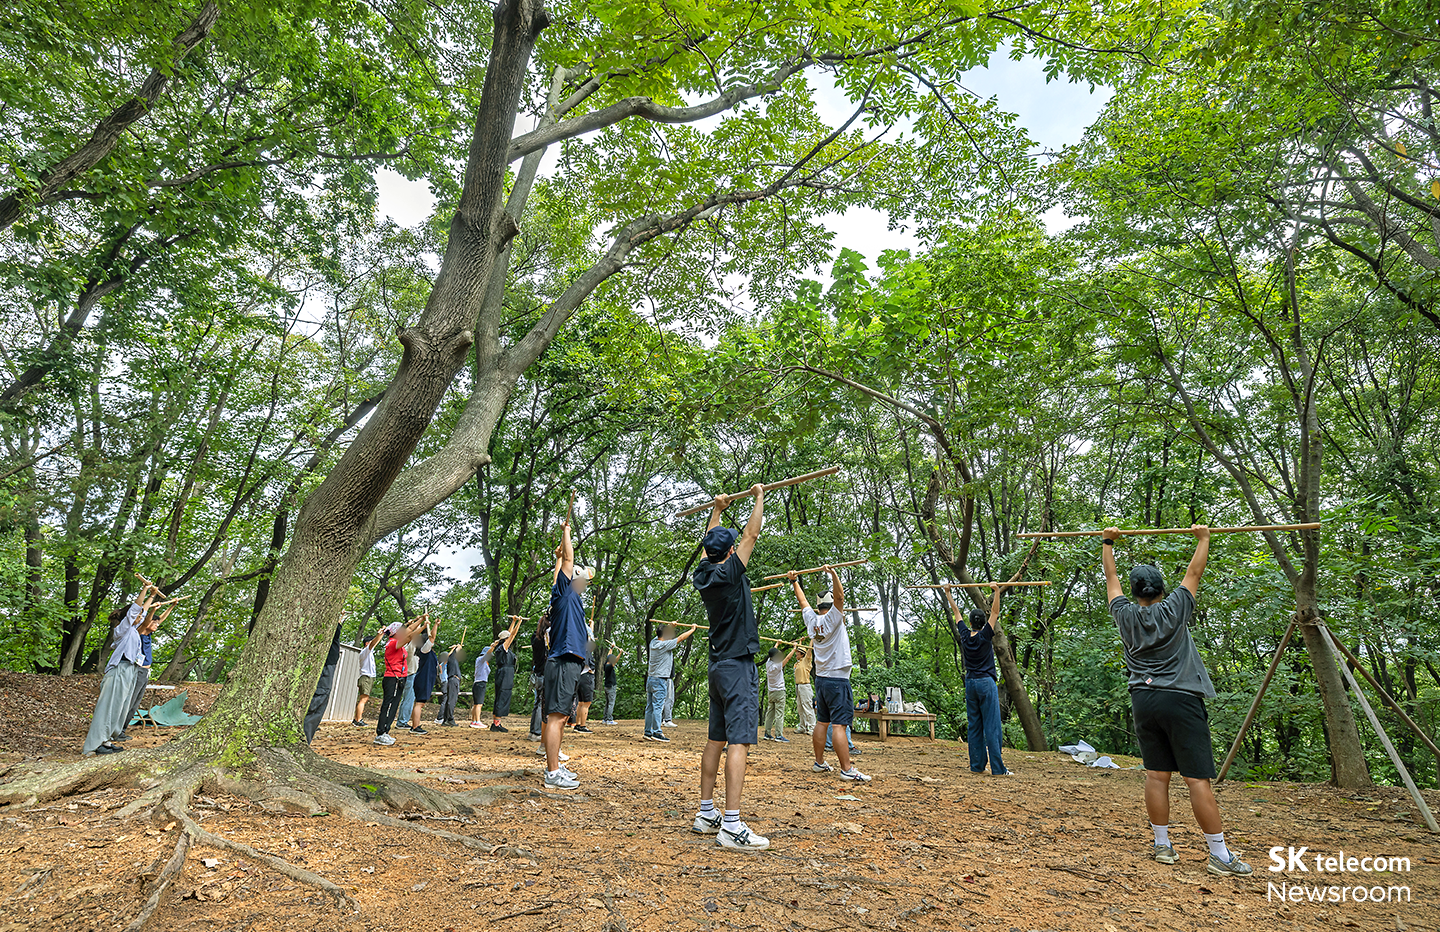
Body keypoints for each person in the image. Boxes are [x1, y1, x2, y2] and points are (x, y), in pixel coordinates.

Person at [1102, 524, 1251, 877]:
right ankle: (1219, 855)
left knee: (1156, 775)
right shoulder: (1175, 609)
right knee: (1197, 779)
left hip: (1144, 699)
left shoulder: (1124, 615)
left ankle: (1163, 846)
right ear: (1162, 589)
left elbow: (1111, 577)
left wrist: (1108, 542)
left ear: (1136, 592)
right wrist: (1203, 538)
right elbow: (1194, 571)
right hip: (1180, 699)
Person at [691, 485, 769, 850]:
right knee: (738, 741)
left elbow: (712, 543)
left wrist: (718, 509)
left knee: (715, 739)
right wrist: (758, 495)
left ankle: (707, 812)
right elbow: (752, 533)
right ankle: (732, 825)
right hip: (737, 667)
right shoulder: (731, 573)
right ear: (730, 553)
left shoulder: (705, 574)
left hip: (717, 666)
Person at [795, 566, 870, 783]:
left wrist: (794, 581)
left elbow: (803, 602)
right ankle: (847, 769)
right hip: (837, 679)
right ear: (832, 607)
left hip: (821, 680)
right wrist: (834, 574)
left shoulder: (812, 620)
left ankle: (819, 763)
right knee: (839, 725)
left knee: (822, 722)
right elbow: (840, 596)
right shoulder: (833, 619)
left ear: (819, 607)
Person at [541, 522, 592, 789]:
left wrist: (558, 557)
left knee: (561, 718)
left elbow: (563, 563)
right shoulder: (563, 593)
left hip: (569, 663)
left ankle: (556, 767)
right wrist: (567, 532)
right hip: (562, 661)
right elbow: (569, 560)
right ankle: (551, 774)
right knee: (556, 717)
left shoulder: (570, 598)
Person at [84, 586, 161, 756]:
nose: (140, 618)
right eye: (137, 616)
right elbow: (136, 608)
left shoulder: (134, 630)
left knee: (118, 708)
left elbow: (144, 611)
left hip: (130, 670)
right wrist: (145, 590)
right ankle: (94, 745)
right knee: (108, 707)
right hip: (118, 670)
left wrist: (153, 596)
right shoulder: (123, 629)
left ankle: (106, 740)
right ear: (129, 616)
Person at [943, 584, 1011, 776]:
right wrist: (997, 591)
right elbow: (995, 611)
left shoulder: (965, 635)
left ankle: (977, 766)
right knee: (992, 726)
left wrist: (948, 593)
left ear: (971, 622)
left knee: (974, 726)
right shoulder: (985, 635)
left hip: (970, 683)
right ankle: (998, 769)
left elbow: (956, 611)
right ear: (982, 623)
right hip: (985, 683)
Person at [375, 616, 423, 745]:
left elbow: (410, 629)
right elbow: (410, 636)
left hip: (400, 678)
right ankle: (381, 733)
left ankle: (386, 732)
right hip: (392, 678)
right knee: (389, 705)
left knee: (394, 705)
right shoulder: (392, 643)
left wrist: (422, 619)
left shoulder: (398, 642)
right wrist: (423, 627)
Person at [645, 622, 696, 741]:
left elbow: (663, 633)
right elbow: (680, 638)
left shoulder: (653, 643)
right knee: (657, 707)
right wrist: (692, 629)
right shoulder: (664, 645)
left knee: (650, 707)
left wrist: (670, 626)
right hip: (660, 680)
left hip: (651, 679)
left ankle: (648, 732)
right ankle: (657, 732)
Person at [304, 621, 344, 743]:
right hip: (326, 665)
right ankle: (305, 740)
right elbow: (335, 631)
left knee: (319, 699)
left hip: (323, 664)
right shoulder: (328, 622)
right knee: (318, 701)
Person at [489, 613, 523, 731]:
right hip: (505, 673)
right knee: (502, 696)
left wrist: (513, 621)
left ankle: (496, 723)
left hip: (503, 672)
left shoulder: (501, 646)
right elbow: (512, 635)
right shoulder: (503, 647)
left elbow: (509, 633)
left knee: (501, 696)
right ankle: (496, 724)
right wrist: (519, 622)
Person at [397, 613, 431, 728]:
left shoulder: (403, 647)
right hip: (410, 674)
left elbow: (410, 633)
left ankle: (401, 721)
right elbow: (412, 636)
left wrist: (417, 621)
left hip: (406, 674)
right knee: (409, 699)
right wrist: (421, 623)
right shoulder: (409, 648)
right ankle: (402, 722)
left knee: (405, 699)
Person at [408, 614, 437, 735]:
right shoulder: (425, 650)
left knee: (420, 703)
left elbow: (432, 638)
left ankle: (415, 725)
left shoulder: (426, 651)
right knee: (419, 703)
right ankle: (415, 727)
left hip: (424, 679)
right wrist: (436, 625)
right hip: (423, 679)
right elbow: (432, 637)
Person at [762, 644, 797, 742]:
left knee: (770, 713)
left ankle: (767, 733)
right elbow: (787, 658)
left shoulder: (768, 663)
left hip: (771, 692)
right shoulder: (777, 666)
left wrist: (777, 643)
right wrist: (794, 649)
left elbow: (773, 651)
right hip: (779, 692)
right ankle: (778, 735)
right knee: (779, 714)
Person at [354, 628, 384, 727]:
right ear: (367, 643)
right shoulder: (365, 651)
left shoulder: (369, 653)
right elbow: (373, 643)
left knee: (364, 699)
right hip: (365, 677)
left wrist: (382, 634)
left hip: (368, 678)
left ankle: (356, 719)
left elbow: (375, 642)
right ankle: (358, 720)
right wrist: (379, 634)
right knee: (363, 699)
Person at [527, 613, 550, 740]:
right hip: (543, 673)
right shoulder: (544, 640)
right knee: (541, 703)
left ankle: (533, 731)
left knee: (537, 703)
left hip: (537, 673)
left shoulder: (534, 638)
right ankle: (536, 732)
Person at [469, 637, 500, 728]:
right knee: (479, 704)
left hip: (478, 683)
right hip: (480, 683)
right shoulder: (480, 659)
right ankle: (477, 721)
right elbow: (487, 654)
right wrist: (493, 646)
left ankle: (474, 721)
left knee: (476, 704)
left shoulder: (484, 662)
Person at [436, 642, 463, 726]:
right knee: (452, 700)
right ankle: (449, 719)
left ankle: (446, 719)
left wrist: (453, 648)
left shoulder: (451, 659)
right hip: (453, 680)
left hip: (452, 681)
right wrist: (457, 647)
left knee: (449, 700)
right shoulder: (451, 658)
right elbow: (456, 650)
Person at [793, 644, 816, 740]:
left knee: (807, 707)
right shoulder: (797, 663)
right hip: (798, 686)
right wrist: (800, 642)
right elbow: (799, 646)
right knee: (800, 707)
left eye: (797, 653)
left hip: (805, 686)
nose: (796, 654)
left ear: (802, 654)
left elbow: (809, 651)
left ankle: (812, 727)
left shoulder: (806, 661)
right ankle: (802, 727)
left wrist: (811, 639)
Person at [602, 644, 621, 725]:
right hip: (611, 687)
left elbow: (608, 655)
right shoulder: (610, 666)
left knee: (607, 703)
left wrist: (611, 648)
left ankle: (605, 719)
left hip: (606, 686)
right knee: (611, 703)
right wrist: (620, 652)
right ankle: (609, 719)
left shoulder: (606, 664)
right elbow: (616, 660)